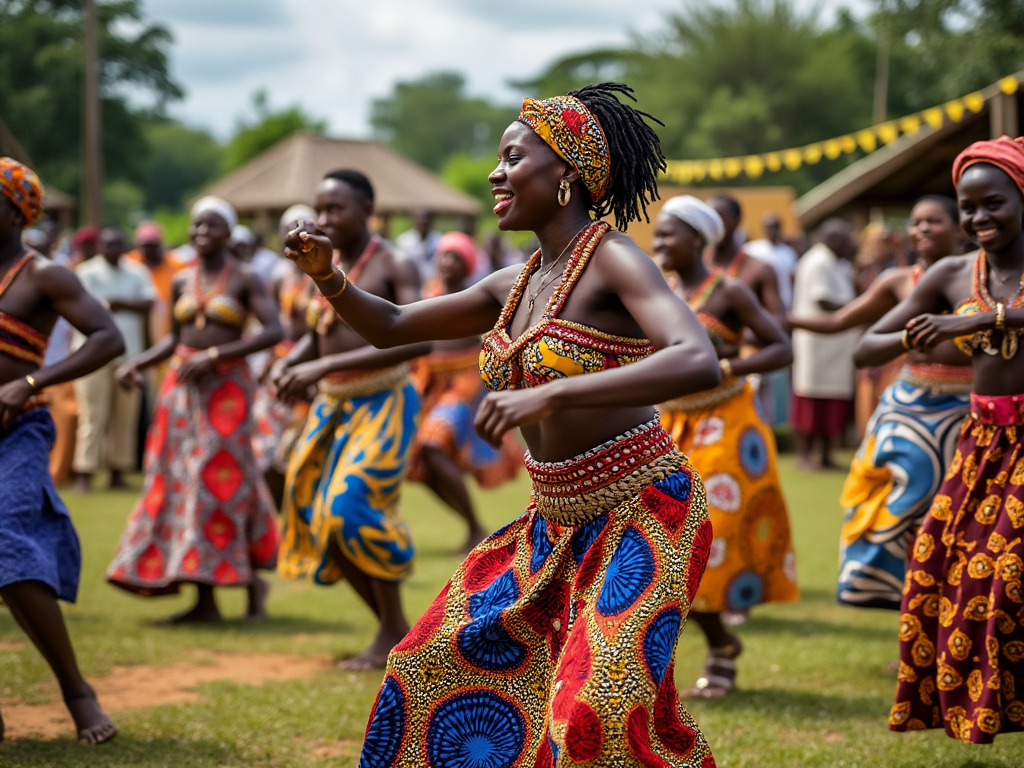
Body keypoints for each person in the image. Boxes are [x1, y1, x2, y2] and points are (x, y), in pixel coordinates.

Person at [286, 83, 720, 767]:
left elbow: (698, 359)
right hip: (552, 522)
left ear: (567, 175)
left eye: (513, 159)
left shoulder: (614, 259)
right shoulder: (511, 286)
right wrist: (328, 277)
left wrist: (554, 398)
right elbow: (393, 325)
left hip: (644, 512)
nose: (495, 173)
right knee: (428, 664)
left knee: (594, 711)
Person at [857, 136, 1024, 743]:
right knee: (934, 565)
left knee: (1006, 573)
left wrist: (985, 318)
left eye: (994, 204)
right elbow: (864, 347)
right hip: (982, 441)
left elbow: (986, 320)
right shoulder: (956, 272)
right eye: (968, 208)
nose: (980, 219)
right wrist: (917, 333)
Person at [271, 169, 428, 670]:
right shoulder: (325, 265)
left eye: (335, 208)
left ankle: (393, 626)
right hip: (330, 405)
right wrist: (292, 360)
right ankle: (391, 628)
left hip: (383, 401)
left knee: (347, 507)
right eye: (319, 209)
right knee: (314, 511)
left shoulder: (392, 262)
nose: (323, 219)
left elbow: (419, 336)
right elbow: (321, 334)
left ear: (366, 210)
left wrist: (320, 364)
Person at [105, 196, 283, 623]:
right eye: (197, 225)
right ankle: (204, 598)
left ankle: (252, 585)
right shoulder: (182, 280)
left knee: (219, 482)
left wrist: (217, 355)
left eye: (212, 225)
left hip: (227, 392)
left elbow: (275, 330)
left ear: (228, 231)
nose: (202, 233)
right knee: (182, 484)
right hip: (182, 393)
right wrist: (137, 363)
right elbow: (173, 340)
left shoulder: (245, 278)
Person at [790, 197, 972, 609]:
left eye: (934, 221)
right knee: (898, 517)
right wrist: (781, 320)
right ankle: (912, 631)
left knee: (958, 521)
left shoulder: (982, 277)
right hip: (910, 407)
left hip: (969, 409)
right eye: (916, 222)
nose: (922, 229)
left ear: (960, 228)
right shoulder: (898, 281)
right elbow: (842, 323)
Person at [653, 195, 797, 697]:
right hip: (670, 423)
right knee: (664, 543)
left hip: (727, 423)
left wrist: (731, 365)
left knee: (706, 537)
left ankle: (718, 653)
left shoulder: (729, 291)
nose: (658, 243)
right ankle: (721, 641)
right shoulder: (658, 291)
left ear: (697, 238)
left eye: (668, 234)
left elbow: (782, 345)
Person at [0, 157, 123, 743]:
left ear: (16, 211)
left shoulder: (44, 276)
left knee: (7, 542)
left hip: (20, 429)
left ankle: (77, 690)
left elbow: (108, 337)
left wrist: (29, 381)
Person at [408, 231, 521, 552]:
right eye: (443, 255)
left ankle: (473, 525)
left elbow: (502, 335)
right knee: (422, 463)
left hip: (465, 384)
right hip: (431, 382)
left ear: (468, 265)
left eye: (455, 257)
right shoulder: (428, 295)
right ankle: (473, 526)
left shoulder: (477, 299)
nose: (446, 262)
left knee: (431, 443)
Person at [71, 226, 156, 492]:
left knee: (125, 416)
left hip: (129, 356)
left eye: (119, 243)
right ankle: (84, 472)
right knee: (93, 414)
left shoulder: (137, 271)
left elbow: (149, 303)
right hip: (92, 355)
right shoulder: (86, 272)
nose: (114, 248)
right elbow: (87, 306)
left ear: (126, 245)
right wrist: (126, 303)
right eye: (109, 244)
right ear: (99, 246)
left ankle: (118, 472)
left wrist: (117, 302)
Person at [790, 219, 859, 470]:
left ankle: (826, 455)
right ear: (834, 240)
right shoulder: (818, 261)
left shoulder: (835, 262)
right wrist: (859, 309)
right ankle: (805, 455)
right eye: (846, 240)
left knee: (831, 401)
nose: (850, 245)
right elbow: (824, 302)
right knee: (811, 400)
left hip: (835, 344)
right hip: (817, 343)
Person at [708, 195, 784, 321]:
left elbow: (779, 321)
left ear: (736, 221)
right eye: (708, 218)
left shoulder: (760, 270)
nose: (712, 224)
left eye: (719, 218)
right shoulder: (694, 265)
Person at [127, 220, 186, 345]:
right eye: (144, 245)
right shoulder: (130, 264)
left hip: (168, 332)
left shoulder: (177, 265)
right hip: (137, 333)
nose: (148, 250)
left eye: (152, 245)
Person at [745, 211, 799, 312]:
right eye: (768, 227)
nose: (772, 231)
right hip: (759, 306)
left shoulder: (788, 253)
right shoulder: (752, 250)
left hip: (784, 304)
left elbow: (792, 280)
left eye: (775, 227)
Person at [395, 207, 441, 281]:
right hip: (411, 283)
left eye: (426, 218)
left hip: (434, 285)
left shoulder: (440, 240)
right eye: (420, 218)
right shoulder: (404, 241)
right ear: (414, 220)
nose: (423, 221)